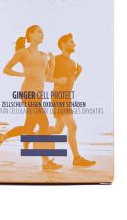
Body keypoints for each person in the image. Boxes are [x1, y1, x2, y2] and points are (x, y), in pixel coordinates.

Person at [0, 25, 61, 171]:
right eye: (39, 32)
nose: (42, 34)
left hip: (39, 94)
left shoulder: (44, 55)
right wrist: (22, 74)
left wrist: (53, 63)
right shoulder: (23, 52)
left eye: (43, 32)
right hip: (28, 92)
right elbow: (6, 69)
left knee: (29, 127)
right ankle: (46, 161)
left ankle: (2, 137)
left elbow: (47, 78)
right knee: (44, 123)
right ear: (30, 35)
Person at [44, 33, 96, 167]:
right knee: (73, 126)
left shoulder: (73, 63)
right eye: (71, 42)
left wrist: (78, 73)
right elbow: (46, 77)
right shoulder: (56, 59)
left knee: (58, 129)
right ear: (63, 44)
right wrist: (57, 80)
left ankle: (37, 133)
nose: (74, 44)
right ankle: (77, 158)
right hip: (58, 96)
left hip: (67, 97)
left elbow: (69, 83)